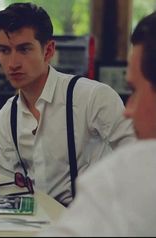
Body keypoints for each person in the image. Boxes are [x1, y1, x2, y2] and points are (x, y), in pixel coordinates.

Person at [0, 2, 136, 207]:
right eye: (5, 51)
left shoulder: (93, 97)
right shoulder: (7, 115)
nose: (13, 63)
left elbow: (139, 160)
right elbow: (9, 185)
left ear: (48, 50)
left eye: (24, 49)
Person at [38, 11, 156, 236]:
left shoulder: (128, 174)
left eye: (134, 90)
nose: (128, 111)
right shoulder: (7, 113)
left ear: (49, 50)